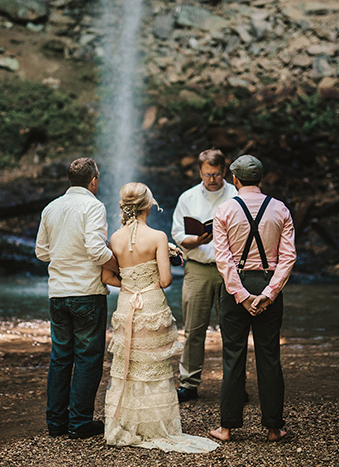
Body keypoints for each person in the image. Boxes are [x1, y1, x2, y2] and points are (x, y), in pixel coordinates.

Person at [101, 182, 218, 453]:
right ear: (148, 206)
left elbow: (108, 276)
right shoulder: (157, 237)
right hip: (151, 305)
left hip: (128, 303)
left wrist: (131, 283)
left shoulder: (115, 239)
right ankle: (155, 425)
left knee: (128, 366)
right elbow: (165, 279)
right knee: (152, 366)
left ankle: (127, 424)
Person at [208, 155, 296, 443]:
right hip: (269, 283)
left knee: (233, 356)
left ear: (234, 179)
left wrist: (242, 295)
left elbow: (224, 260)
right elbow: (288, 258)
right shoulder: (280, 209)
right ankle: (273, 428)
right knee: (269, 357)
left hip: (237, 288)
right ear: (260, 179)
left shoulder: (224, 210)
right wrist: (270, 293)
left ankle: (227, 427)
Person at [35, 157, 119, 439]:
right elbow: (96, 251)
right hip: (86, 293)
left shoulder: (51, 208)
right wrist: (119, 266)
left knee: (60, 358)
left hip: (57, 294)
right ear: (93, 180)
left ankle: (56, 422)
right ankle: (80, 422)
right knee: (87, 358)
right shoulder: (93, 206)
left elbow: (41, 253)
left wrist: (65, 255)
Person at [171, 149, 238, 402]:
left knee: (232, 329)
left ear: (224, 171)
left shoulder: (235, 195)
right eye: (207, 174)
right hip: (197, 267)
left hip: (228, 267)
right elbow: (177, 234)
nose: (212, 179)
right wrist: (196, 240)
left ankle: (234, 383)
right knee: (194, 328)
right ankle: (189, 383)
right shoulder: (187, 198)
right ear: (200, 172)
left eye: (217, 174)